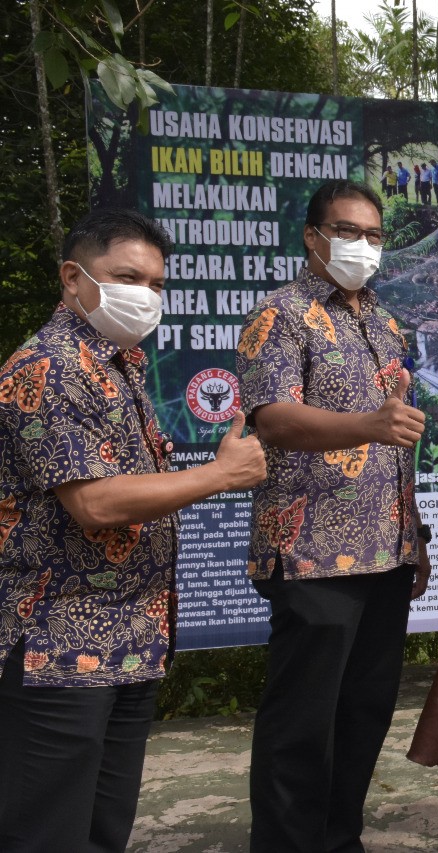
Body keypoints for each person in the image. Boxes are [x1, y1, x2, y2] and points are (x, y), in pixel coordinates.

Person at [0, 208, 267, 852]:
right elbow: (93, 503)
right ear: (73, 277)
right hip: (58, 645)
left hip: (130, 635)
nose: (145, 296)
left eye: (156, 284)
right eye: (127, 277)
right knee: (47, 833)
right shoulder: (46, 368)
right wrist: (219, 475)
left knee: (103, 830)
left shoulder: (119, 365)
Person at [236, 179, 432, 852]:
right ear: (312, 237)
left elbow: (396, 436)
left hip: (386, 549)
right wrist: (367, 424)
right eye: (348, 231)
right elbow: (273, 418)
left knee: (364, 714)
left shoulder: (383, 321)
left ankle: (339, 839)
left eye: (374, 235)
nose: (363, 245)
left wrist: (415, 533)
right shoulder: (279, 315)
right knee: (303, 723)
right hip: (312, 552)